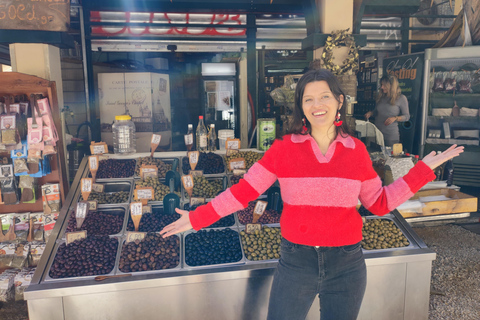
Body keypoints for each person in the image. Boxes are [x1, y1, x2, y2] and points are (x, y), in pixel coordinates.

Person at [161, 69, 463, 320]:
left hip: (347, 264)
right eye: (308, 99)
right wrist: (199, 218)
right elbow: (244, 191)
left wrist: (422, 171)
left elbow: (379, 203)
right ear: (301, 106)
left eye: (324, 96)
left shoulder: (356, 151)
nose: (317, 104)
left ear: (338, 101)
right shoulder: (283, 149)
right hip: (296, 262)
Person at [364, 75, 410, 147]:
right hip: (377, 134)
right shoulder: (381, 97)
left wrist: (395, 118)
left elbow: (407, 116)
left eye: (384, 85)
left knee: (390, 157)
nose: (382, 87)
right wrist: (371, 113)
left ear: (391, 86)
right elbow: (376, 112)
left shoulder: (401, 98)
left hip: (391, 136)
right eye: (381, 85)